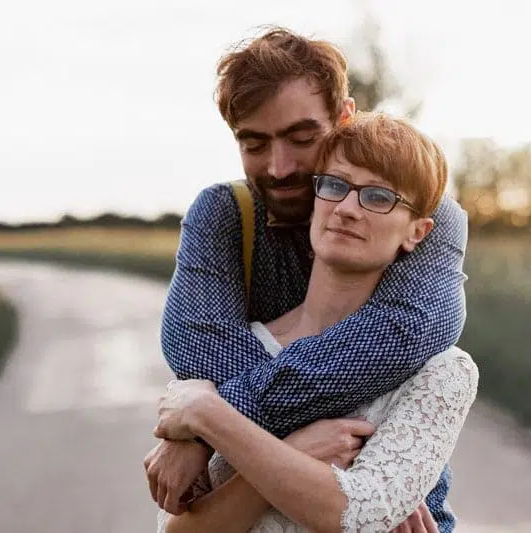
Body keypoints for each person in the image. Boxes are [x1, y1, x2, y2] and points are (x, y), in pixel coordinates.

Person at [143, 26, 469, 531]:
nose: (279, 167)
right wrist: (292, 451)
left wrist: (204, 426)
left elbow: (397, 339)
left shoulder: (427, 217)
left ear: (343, 119)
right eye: (254, 143)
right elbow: (199, 350)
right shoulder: (224, 215)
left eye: (301, 138)